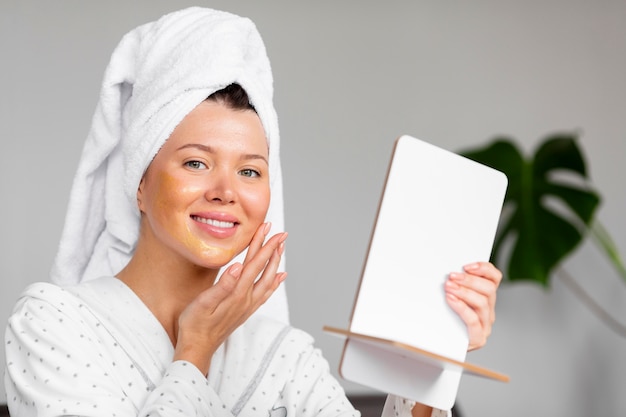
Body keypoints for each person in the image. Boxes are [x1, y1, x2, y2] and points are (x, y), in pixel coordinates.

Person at [4, 7, 502, 417]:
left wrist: (434, 353)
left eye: (250, 171)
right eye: (196, 162)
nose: (226, 192)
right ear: (139, 182)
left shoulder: (280, 354)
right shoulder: (52, 324)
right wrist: (195, 350)